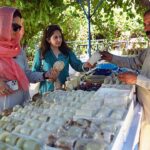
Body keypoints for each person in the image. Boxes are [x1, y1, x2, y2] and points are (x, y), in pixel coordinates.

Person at [100, 9, 150, 150]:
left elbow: (140, 77)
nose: (146, 28)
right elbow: (134, 62)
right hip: (144, 106)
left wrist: (137, 79)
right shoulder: (149, 49)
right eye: (145, 24)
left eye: (149, 23)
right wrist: (112, 58)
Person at [0, 7, 59, 111]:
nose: (17, 30)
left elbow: (26, 74)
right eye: (14, 26)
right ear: (2, 24)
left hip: (23, 107)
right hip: (4, 110)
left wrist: (45, 75)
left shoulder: (18, 51)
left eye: (19, 27)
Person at [32, 24, 92, 94]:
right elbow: (34, 73)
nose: (59, 39)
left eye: (60, 37)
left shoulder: (67, 51)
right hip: (46, 92)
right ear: (48, 40)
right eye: (55, 37)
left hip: (64, 91)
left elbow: (77, 65)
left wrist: (85, 65)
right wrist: (45, 76)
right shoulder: (41, 53)